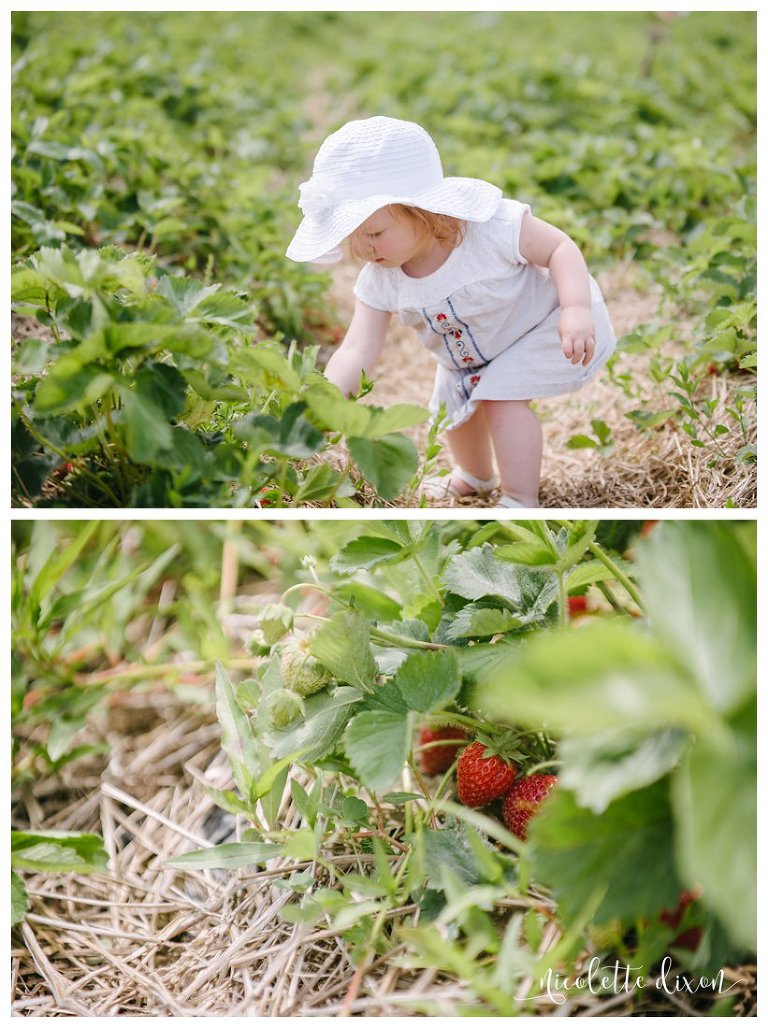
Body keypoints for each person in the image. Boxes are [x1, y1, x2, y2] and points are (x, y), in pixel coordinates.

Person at [286, 116, 616, 507]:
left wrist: (575, 308)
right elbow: (358, 348)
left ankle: (520, 498)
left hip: (544, 325)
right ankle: (475, 475)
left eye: (374, 233)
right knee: (451, 413)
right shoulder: (380, 278)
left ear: (422, 211)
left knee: (501, 399)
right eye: (352, 238)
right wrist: (328, 398)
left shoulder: (489, 228)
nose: (365, 248)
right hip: (466, 358)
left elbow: (560, 247)